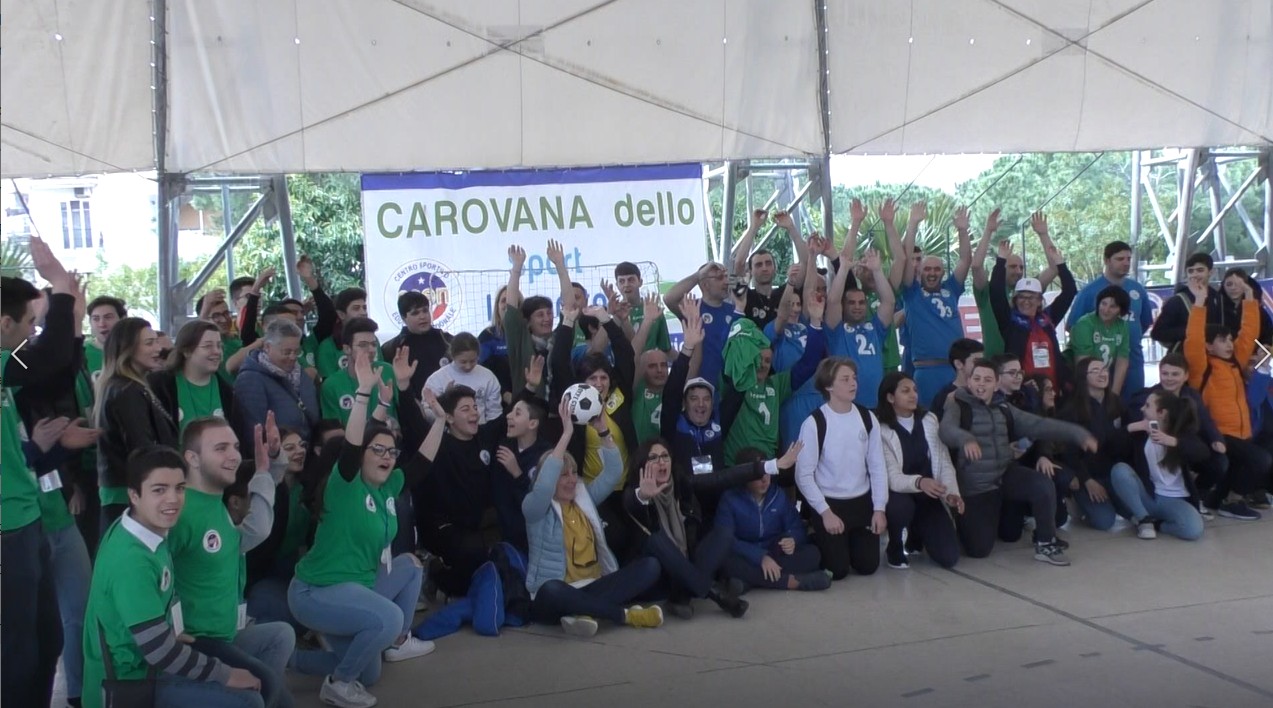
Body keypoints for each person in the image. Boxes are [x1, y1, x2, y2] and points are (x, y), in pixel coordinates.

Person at [288, 350, 435, 708]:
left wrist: (441, 421)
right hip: (317, 591)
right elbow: (354, 443)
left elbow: (422, 463)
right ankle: (338, 684)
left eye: (391, 452)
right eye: (378, 450)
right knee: (388, 618)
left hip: (359, 585)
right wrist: (364, 392)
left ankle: (288, 659)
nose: (387, 456)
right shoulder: (345, 484)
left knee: (409, 566)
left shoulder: (386, 486)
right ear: (361, 456)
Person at [82, 446, 265, 708]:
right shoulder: (132, 561)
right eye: (159, 490)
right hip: (131, 682)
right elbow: (158, 651)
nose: (173, 499)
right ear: (134, 495)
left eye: (179, 488)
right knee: (249, 699)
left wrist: (168, 631)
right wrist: (226, 675)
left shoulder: (145, 529)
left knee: (267, 666)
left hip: (152, 659)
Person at [2, 247, 84, 708]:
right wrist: (60, 286)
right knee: (16, 650)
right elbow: (48, 356)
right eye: (28, 323)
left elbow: (55, 366)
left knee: (47, 638)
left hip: (27, 518)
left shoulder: (6, 376)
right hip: (6, 530)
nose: (32, 332)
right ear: (4, 324)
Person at [169, 416, 295, 708]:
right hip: (195, 642)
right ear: (192, 458)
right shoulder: (180, 511)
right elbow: (149, 573)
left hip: (226, 634)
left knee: (281, 636)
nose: (234, 456)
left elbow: (254, 530)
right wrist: (166, 631)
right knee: (266, 690)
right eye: (221, 448)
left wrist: (267, 467)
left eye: (236, 447)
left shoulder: (215, 504)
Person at [522, 398, 665, 637]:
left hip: (593, 586)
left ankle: (583, 611)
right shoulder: (535, 508)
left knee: (650, 566)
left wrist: (603, 431)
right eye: (563, 475)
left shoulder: (583, 498)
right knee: (552, 589)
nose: (571, 480)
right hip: (554, 594)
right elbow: (544, 485)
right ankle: (626, 615)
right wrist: (566, 434)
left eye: (574, 473)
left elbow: (613, 472)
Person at [939, 359, 1097, 565]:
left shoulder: (1004, 407)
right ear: (969, 382)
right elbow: (946, 430)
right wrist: (966, 439)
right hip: (976, 487)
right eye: (976, 379)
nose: (981, 384)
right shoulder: (957, 404)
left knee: (1042, 485)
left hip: (1004, 475)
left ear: (996, 384)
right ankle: (958, 520)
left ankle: (1046, 543)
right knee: (979, 550)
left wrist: (1078, 434)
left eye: (987, 380)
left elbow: (1038, 424)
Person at [416, 357, 545, 597]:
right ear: (449, 418)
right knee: (472, 560)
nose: (474, 412)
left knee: (500, 556)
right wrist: (405, 390)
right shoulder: (439, 446)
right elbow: (412, 426)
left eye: (475, 407)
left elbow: (506, 418)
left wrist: (530, 387)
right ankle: (434, 570)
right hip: (446, 524)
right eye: (466, 409)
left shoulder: (484, 437)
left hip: (479, 521)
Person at [622, 439, 787, 618]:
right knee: (655, 538)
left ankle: (682, 596)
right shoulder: (634, 494)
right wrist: (643, 495)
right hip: (659, 578)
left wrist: (768, 466)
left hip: (686, 565)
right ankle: (717, 594)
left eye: (665, 456)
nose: (661, 462)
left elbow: (720, 478)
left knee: (723, 534)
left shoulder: (680, 484)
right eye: (653, 458)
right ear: (643, 465)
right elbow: (633, 501)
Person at [1182, 276, 1271, 519]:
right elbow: (1193, 339)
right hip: (1219, 433)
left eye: (1230, 339)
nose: (1230, 344)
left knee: (1243, 464)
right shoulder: (1202, 367)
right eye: (1222, 340)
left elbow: (1248, 333)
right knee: (1261, 460)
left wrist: (1249, 298)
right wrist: (1199, 302)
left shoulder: (1234, 363)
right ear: (1208, 346)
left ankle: (1217, 499)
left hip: (1242, 433)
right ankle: (1233, 501)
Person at [795, 358, 888, 580]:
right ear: (828, 386)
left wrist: (879, 509)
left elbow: (877, 466)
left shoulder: (867, 418)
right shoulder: (814, 423)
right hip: (830, 503)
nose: (853, 383)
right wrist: (825, 512)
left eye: (854, 378)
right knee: (837, 571)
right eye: (845, 379)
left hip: (861, 501)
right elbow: (803, 475)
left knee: (867, 566)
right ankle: (814, 534)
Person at [722, 285, 826, 464]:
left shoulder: (777, 384)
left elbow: (809, 364)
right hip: (736, 467)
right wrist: (739, 310)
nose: (763, 364)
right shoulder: (736, 382)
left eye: (768, 360)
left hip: (769, 466)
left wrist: (816, 321)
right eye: (759, 359)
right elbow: (731, 348)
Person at [95, 317, 175, 533]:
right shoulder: (127, 391)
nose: (158, 349)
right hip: (130, 494)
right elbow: (142, 448)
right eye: (149, 343)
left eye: (156, 341)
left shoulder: (127, 386)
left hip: (128, 491)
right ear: (127, 349)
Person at [1126, 353, 1230, 519]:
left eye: (1175, 374)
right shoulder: (1148, 397)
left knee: (1219, 462)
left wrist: (1216, 439)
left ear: (1186, 376)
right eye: (1165, 373)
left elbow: (1205, 420)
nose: (1169, 378)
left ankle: (1197, 496)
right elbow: (1137, 420)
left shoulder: (1192, 396)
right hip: (1158, 450)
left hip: (1184, 446)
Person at [876, 372, 962, 570]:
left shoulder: (929, 420)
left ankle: (916, 534)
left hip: (928, 496)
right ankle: (895, 546)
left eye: (914, 390)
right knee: (901, 507)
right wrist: (920, 482)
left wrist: (951, 493)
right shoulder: (881, 429)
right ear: (890, 397)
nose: (913, 395)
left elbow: (944, 463)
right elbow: (892, 477)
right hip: (899, 495)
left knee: (949, 557)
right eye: (905, 391)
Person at [715, 446, 829, 591]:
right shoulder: (730, 499)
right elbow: (726, 539)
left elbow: (797, 527)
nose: (764, 480)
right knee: (726, 562)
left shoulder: (778, 495)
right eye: (759, 475)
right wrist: (761, 557)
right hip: (745, 554)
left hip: (774, 552)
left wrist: (792, 539)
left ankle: (749, 581)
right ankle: (790, 582)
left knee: (813, 554)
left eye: (767, 473)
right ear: (745, 476)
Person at [989, 214, 1076, 392]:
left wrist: (1061, 264)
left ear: (1039, 300)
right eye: (1022, 297)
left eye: (1031, 297)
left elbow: (1069, 292)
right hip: (1024, 391)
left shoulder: (1048, 318)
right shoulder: (1009, 321)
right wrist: (1001, 261)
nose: (1026, 301)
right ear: (1015, 299)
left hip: (1053, 389)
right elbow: (996, 293)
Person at [898, 201, 973, 404]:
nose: (932, 273)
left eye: (937, 269)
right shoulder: (912, 293)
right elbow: (905, 259)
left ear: (943, 272)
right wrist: (913, 223)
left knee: (959, 417)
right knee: (928, 419)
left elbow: (965, 260)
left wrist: (962, 230)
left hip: (956, 370)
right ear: (919, 271)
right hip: (927, 371)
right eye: (927, 269)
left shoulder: (951, 289)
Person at [1110, 391, 1207, 541]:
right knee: (1120, 470)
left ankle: (1156, 524)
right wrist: (1132, 427)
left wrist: (1174, 442)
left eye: (1147, 405)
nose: (1142, 409)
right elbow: (1109, 447)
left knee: (1193, 530)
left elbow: (1202, 453)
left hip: (1175, 499)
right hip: (1148, 495)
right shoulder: (1140, 434)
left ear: (1162, 413)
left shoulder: (1182, 434)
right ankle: (1143, 519)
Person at [1066, 240, 1155, 397]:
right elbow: (1072, 326)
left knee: (1134, 405)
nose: (1126, 263)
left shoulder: (1137, 289)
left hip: (1132, 363)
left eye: (1128, 259)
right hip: (1099, 366)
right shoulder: (1089, 292)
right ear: (1107, 260)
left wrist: (1126, 338)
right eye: (1120, 259)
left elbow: (1145, 321)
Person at [970, 208, 1060, 359]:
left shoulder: (1028, 290)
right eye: (1013, 266)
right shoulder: (987, 291)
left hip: (1023, 363)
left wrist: (1043, 235)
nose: (1018, 271)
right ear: (1002, 267)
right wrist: (988, 231)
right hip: (994, 363)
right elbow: (976, 266)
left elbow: (1054, 268)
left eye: (1021, 267)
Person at [1056, 358, 1127, 531]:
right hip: (1086, 474)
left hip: (1112, 472)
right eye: (1095, 371)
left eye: (1104, 369)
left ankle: (1110, 497)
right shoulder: (1072, 409)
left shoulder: (1116, 402)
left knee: (1132, 510)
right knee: (1104, 521)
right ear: (1083, 376)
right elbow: (1068, 451)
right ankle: (1076, 500)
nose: (1102, 374)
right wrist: (1086, 480)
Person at [827, 247, 896, 410]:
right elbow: (833, 302)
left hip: (875, 407)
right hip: (845, 407)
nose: (857, 306)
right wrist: (843, 269)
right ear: (844, 306)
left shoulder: (875, 328)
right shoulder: (836, 330)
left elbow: (889, 302)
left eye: (861, 302)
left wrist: (877, 270)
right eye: (851, 303)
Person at [235, 319, 320, 444]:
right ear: (267, 347)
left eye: (296, 352)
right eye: (286, 352)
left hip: (305, 448)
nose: (293, 357)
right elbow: (254, 435)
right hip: (278, 452)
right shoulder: (250, 380)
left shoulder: (300, 373)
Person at [151, 319, 239, 436]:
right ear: (187, 351)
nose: (217, 351)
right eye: (208, 346)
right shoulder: (159, 386)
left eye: (219, 346)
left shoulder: (227, 392)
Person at [731, 209, 810, 327]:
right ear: (750, 271)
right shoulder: (744, 296)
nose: (764, 268)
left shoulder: (786, 292)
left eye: (768, 263)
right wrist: (753, 227)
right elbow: (739, 264)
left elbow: (805, 262)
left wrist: (791, 228)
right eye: (758, 265)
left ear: (775, 268)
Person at [665, 261, 737, 390]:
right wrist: (698, 275)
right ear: (705, 284)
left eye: (726, 277)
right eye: (719, 278)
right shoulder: (692, 308)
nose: (726, 282)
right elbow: (669, 298)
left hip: (729, 386)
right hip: (700, 386)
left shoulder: (734, 310)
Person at [321, 318, 399, 428]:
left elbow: (404, 412)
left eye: (374, 344)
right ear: (347, 349)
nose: (371, 350)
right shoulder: (332, 385)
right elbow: (333, 431)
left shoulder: (387, 371)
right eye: (363, 345)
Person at [503, 245, 555, 397]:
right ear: (528, 321)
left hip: (557, 408)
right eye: (540, 315)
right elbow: (511, 307)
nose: (547, 318)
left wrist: (560, 265)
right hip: (528, 408)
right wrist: (517, 267)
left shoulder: (558, 338)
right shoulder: (519, 340)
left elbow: (570, 305)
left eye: (549, 313)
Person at [382, 290, 453, 397]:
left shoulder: (447, 340)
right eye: (415, 313)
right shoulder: (392, 348)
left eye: (425, 311)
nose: (422, 316)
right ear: (404, 318)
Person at [1151, 253, 1225, 352]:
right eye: (1190, 271)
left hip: (1213, 355)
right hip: (1184, 356)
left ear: (1211, 272)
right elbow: (1157, 333)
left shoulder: (1217, 297)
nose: (1195, 275)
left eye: (1200, 270)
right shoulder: (1177, 301)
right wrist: (1192, 331)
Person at [423, 332, 503, 424]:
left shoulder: (488, 376)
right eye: (463, 362)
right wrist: (445, 399)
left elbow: (494, 412)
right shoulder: (437, 379)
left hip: (481, 429)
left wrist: (489, 430)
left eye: (473, 361)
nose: (468, 366)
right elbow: (428, 413)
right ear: (453, 356)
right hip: (448, 430)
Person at [1067, 285, 1131, 397]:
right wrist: (1091, 395)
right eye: (1103, 304)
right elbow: (1083, 364)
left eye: (1113, 306)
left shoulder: (1122, 326)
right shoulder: (1085, 324)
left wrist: (1114, 395)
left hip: (1102, 380)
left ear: (1121, 309)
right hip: (1079, 381)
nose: (1106, 310)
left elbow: (1122, 360)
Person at [614, 262, 673, 354]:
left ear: (640, 282)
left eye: (631, 280)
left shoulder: (654, 310)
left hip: (650, 362)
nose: (626, 285)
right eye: (621, 281)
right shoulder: (614, 314)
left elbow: (666, 349)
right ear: (617, 285)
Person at [930, 338, 985, 418]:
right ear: (958, 364)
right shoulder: (944, 397)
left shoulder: (987, 391)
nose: (981, 366)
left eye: (983, 361)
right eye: (976, 362)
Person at [1219, 267, 1273, 345]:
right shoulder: (1218, 307)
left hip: (1254, 349)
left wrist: (1264, 347)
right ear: (1223, 286)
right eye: (1229, 284)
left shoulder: (1257, 310)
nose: (1233, 288)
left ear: (1246, 286)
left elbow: (1268, 335)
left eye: (1238, 284)